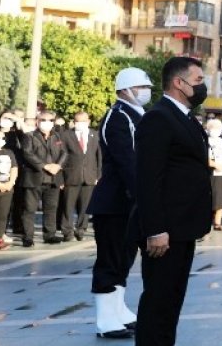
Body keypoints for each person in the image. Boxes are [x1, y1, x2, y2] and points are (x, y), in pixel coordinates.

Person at [133, 57, 213, 346]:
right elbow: (148, 179)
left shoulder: (184, 117)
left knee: (171, 302)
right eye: (198, 80)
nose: (203, 86)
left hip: (183, 228)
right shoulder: (158, 118)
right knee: (159, 303)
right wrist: (156, 229)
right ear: (179, 83)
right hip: (165, 231)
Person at [88, 69, 150, 339]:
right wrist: (143, 195)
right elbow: (128, 161)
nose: (145, 92)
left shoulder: (136, 115)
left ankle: (118, 310)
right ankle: (105, 319)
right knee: (110, 260)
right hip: (114, 202)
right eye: (140, 87)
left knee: (124, 258)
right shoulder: (118, 117)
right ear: (125, 89)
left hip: (127, 202)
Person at [19, 110, 68, 246]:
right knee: (29, 209)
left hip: (53, 178)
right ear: (37, 121)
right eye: (43, 120)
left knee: (51, 208)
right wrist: (45, 166)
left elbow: (64, 153)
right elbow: (27, 154)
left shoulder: (57, 136)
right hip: (34, 177)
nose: (47, 123)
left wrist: (58, 166)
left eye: (50, 120)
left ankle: (50, 235)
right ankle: (28, 237)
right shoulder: (29, 136)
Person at [57, 111, 101, 242]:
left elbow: (99, 157)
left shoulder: (95, 135)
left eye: (83, 121)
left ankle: (81, 229)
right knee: (67, 206)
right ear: (74, 122)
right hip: (70, 176)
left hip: (89, 176)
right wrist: (60, 178)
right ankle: (67, 231)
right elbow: (61, 156)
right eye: (77, 121)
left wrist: (98, 175)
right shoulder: (65, 135)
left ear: (88, 121)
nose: (80, 124)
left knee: (85, 206)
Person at [205, 119, 222, 232]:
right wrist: (215, 165)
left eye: (217, 128)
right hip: (210, 173)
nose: (215, 130)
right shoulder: (205, 141)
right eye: (212, 128)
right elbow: (205, 157)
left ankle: (217, 222)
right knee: (209, 198)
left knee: (221, 199)